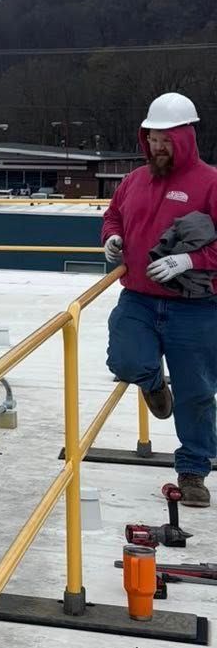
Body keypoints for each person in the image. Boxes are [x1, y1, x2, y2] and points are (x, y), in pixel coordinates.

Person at [102, 93, 217, 506]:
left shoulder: (210, 183)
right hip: (139, 299)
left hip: (196, 307)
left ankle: (193, 471)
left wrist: (190, 258)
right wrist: (112, 238)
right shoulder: (134, 180)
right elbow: (113, 214)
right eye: (152, 138)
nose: (157, 147)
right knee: (126, 359)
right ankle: (153, 384)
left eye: (165, 139)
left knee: (198, 391)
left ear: (186, 137)